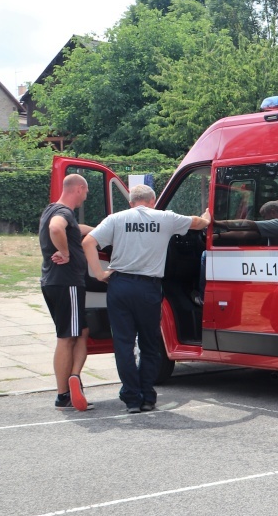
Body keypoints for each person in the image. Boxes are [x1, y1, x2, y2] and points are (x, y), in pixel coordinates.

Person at [83, 185, 211, 413]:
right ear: (153, 201)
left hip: (120, 285)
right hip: (148, 288)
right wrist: (207, 216)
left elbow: (88, 242)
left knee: (123, 345)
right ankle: (148, 396)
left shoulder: (116, 219)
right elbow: (197, 223)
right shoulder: (165, 218)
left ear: (131, 202)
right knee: (149, 343)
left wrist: (99, 273)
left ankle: (132, 397)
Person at [39, 173, 94, 411]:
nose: (86, 197)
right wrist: (66, 252)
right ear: (79, 188)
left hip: (54, 282)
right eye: (86, 192)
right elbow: (56, 228)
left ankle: (74, 378)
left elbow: (73, 229)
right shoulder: (63, 213)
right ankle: (64, 395)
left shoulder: (52, 209)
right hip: (67, 283)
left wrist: (99, 230)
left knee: (81, 332)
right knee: (67, 337)